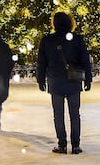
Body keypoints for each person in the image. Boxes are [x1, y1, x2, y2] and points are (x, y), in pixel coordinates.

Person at [37, 11, 92, 155]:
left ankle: (62, 144)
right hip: (73, 81)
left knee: (58, 114)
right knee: (75, 114)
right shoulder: (77, 39)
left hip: (55, 82)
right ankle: (75, 145)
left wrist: (41, 79)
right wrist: (88, 78)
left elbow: (41, 63)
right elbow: (85, 60)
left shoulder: (47, 40)